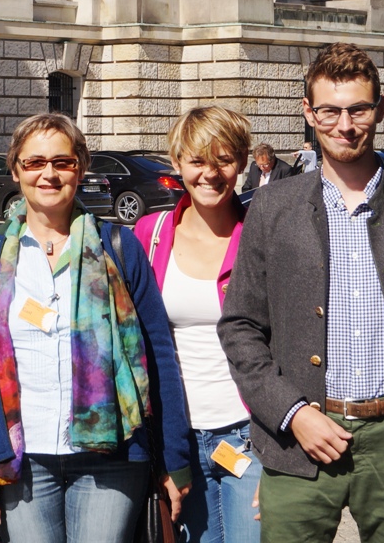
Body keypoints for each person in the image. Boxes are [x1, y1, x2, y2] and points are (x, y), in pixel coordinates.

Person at [217, 42, 384, 543]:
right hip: (302, 437)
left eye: (358, 109)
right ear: (308, 113)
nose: (345, 125)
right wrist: (292, 414)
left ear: (380, 108)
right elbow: (241, 327)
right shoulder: (273, 208)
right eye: (330, 111)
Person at [0, 113, 191, 542]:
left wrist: (173, 458)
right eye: (34, 163)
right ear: (15, 170)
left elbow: (159, 353)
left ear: (80, 168)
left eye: (62, 162)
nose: (48, 173)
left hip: (114, 454)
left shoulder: (118, 247)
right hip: (22, 458)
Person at [133, 106, 260, 543]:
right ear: (177, 164)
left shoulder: (261, 235)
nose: (211, 173)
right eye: (198, 161)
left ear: (242, 163)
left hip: (250, 435)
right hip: (178, 438)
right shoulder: (148, 235)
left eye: (224, 160)